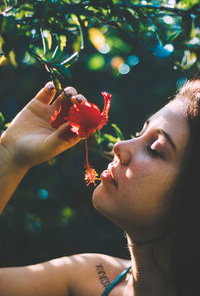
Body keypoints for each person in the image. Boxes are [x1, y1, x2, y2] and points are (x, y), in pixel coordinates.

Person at [0, 78, 200, 296]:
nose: (118, 146)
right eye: (139, 134)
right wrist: (11, 155)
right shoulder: (84, 278)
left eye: (154, 149)